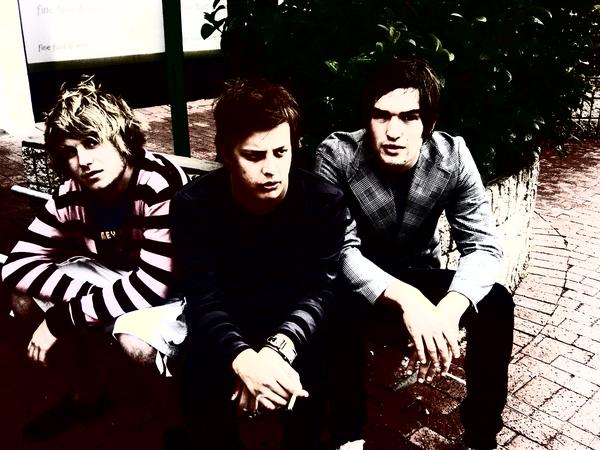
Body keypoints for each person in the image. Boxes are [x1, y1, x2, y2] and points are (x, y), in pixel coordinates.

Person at [314, 58, 514, 450]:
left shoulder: (452, 156)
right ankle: (348, 434)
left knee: (496, 302)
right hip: (360, 284)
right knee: (332, 305)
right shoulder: (336, 156)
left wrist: (450, 308)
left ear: (429, 123)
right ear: (367, 119)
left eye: (409, 117)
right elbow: (339, 250)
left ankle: (481, 434)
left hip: (420, 272)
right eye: (381, 116)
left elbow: (484, 245)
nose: (393, 131)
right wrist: (408, 299)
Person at [1, 76, 189, 443]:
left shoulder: (158, 182)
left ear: (121, 139)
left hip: (176, 290)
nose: (83, 161)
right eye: (70, 152)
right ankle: (87, 396)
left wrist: (64, 316)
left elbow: (154, 286)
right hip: (119, 280)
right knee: (22, 296)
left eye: (91, 142)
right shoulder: (72, 192)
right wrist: (87, 300)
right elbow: (16, 265)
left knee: (134, 340)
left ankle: (178, 424)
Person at [170, 79, 348, 450]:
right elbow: (201, 296)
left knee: (320, 379)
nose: (271, 169)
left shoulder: (323, 201)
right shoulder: (193, 206)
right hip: (225, 323)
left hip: (293, 327)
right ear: (225, 152)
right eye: (254, 156)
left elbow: (319, 291)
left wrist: (275, 353)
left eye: (281, 152)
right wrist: (242, 359)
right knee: (199, 391)